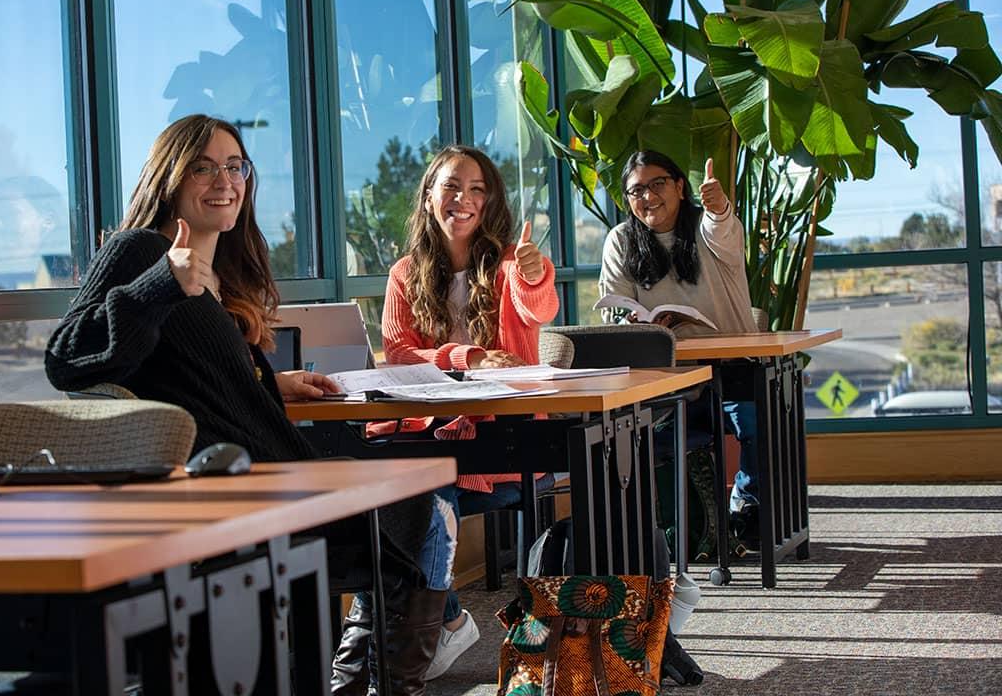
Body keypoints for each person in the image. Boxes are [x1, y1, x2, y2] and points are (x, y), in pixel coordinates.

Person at [44, 114, 456, 696]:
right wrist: (160, 280)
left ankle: (363, 674)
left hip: (255, 462)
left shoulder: (218, 274)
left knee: (421, 503)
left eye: (235, 166)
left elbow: (191, 373)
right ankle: (377, 679)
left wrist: (268, 382)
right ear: (169, 178)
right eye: (204, 167)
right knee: (424, 509)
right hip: (225, 482)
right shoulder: (141, 252)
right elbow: (66, 359)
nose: (225, 180)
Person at [381, 145, 559, 680]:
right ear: (430, 195)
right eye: (452, 186)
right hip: (439, 438)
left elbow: (540, 308)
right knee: (396, 489)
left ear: (490, 201)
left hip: (505, 448)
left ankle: (427, 640)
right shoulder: (405, 273)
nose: (463, 199)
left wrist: (534, 273)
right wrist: (468, 356)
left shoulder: (511, 262)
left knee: (425, 492)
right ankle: (443, 622)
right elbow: (398, 354)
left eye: (477, 189)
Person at [597, 149, 761, 541]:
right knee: (644, 431)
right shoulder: (622, 240)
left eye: (658, 184)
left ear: (680, 187)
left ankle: (746, 498)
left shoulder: (707, 227)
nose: (648, 196)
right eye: (637, 190)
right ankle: (681, 528)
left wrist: (720, 209)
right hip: (666, 372)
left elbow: (724, 231)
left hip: (731, 364)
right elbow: (611, 307)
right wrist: (631, 322)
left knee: (758, 422)